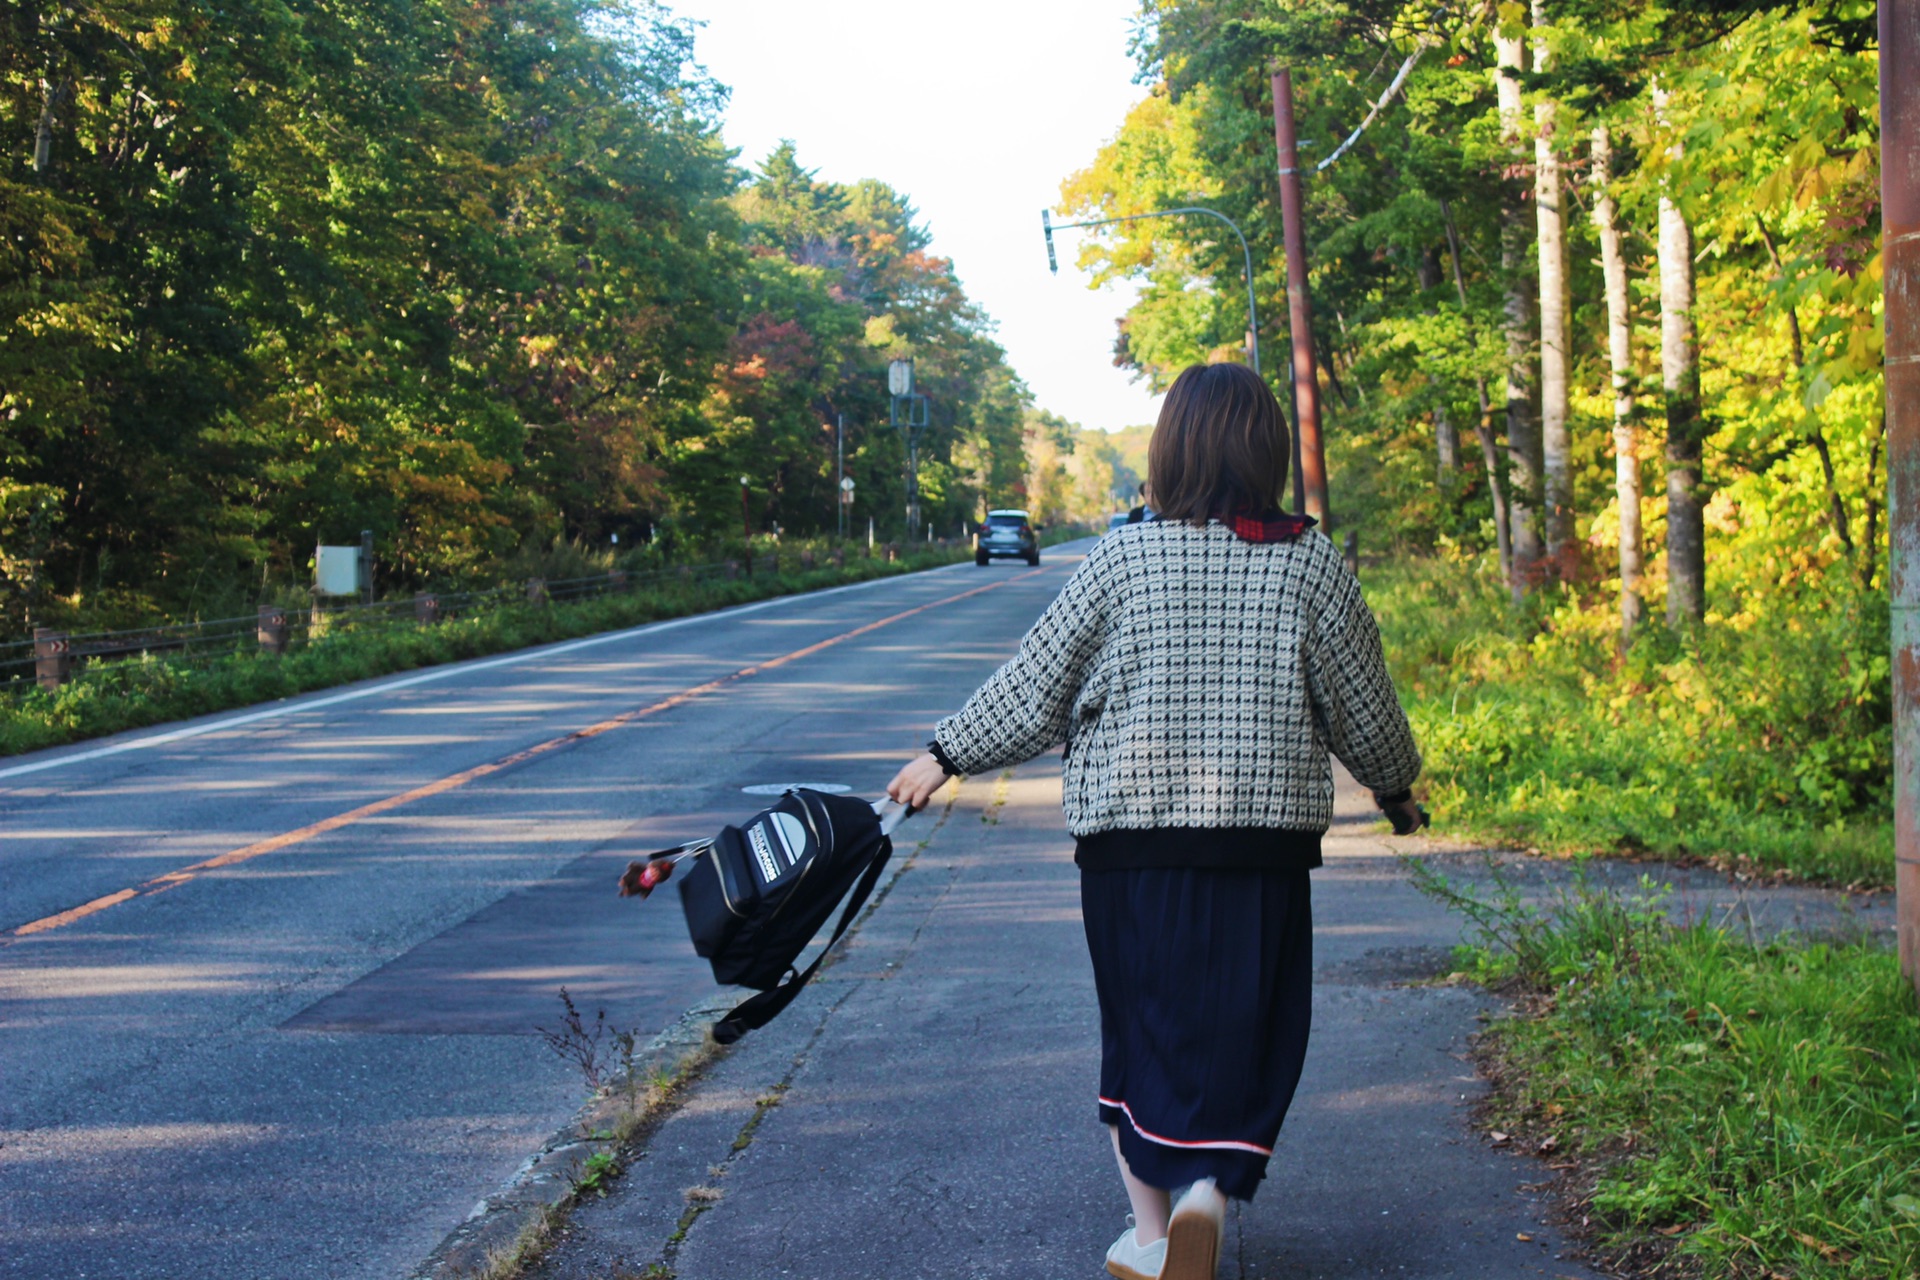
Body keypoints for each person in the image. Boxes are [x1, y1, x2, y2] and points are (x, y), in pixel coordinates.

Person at [888, 361, 1426, 1280]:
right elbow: (1363, 705)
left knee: (1142, 1031)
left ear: (1169, 449)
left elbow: (1036, 687)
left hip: (1129, 852)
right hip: (1261, 851)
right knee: (1251, 1031)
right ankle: (1209, 1196)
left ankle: (1149, 1236)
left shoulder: (1121, 559)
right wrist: (1396, 788)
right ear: (1269, 452)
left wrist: (943, 754)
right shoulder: (1312, 562)